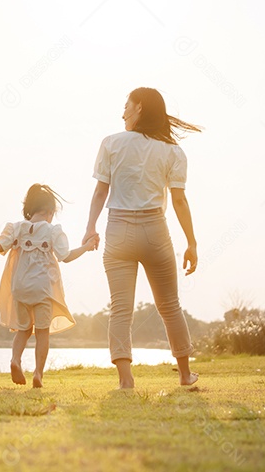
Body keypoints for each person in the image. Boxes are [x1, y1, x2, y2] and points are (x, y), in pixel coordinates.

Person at [82, 87, 202, 389]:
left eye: (126, 106)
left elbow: (100, 192)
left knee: (120, 308)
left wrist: (90, 227)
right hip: (155, 230)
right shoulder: (173, 151)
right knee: (170, 305)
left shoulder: (111, 143)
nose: (122, 112)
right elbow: (179, 201)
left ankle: (125, 380)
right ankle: (185, 375)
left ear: (139, 109)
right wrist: (192, 242)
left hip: (118, 228)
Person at [0, 184, 98, 388]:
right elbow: (66, 257)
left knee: (23, 330)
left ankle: (15, 360)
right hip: (43, 288)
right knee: (42, 332)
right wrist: (86, 246)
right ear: (49, 211)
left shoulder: (16, 227)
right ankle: (38, 373)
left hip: (19, 287)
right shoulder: (53, 231)